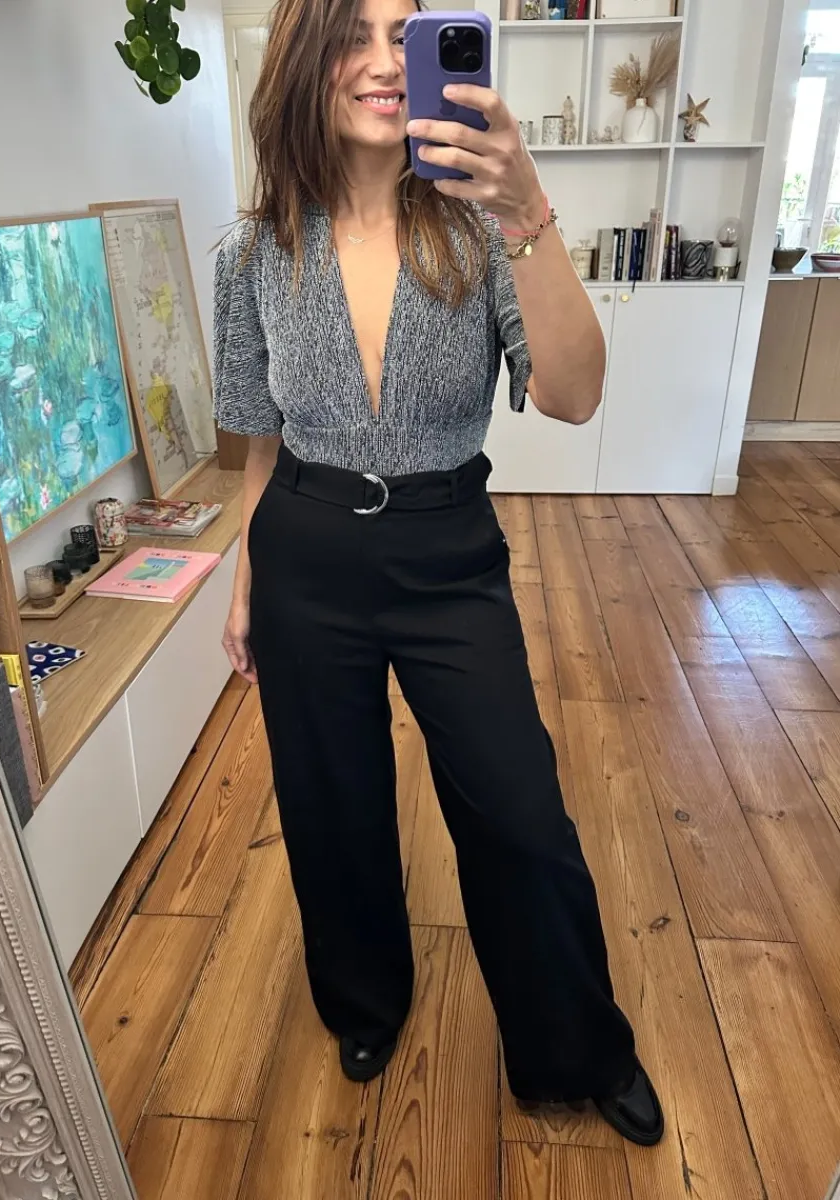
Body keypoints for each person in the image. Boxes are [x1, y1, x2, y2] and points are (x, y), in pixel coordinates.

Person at [216, 0, 664, 1148]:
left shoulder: (477, 226)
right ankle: (364, 1001)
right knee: (329, 804)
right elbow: (258, 444)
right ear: (304, 61)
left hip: (447, 548)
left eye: (403, 32)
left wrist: (527, 206)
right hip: (304, 545)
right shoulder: (249, 253)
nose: (381, 62)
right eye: (353, 35)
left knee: (518, 809)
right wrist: (244, 580)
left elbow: (573, 396)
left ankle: (576, 1045)